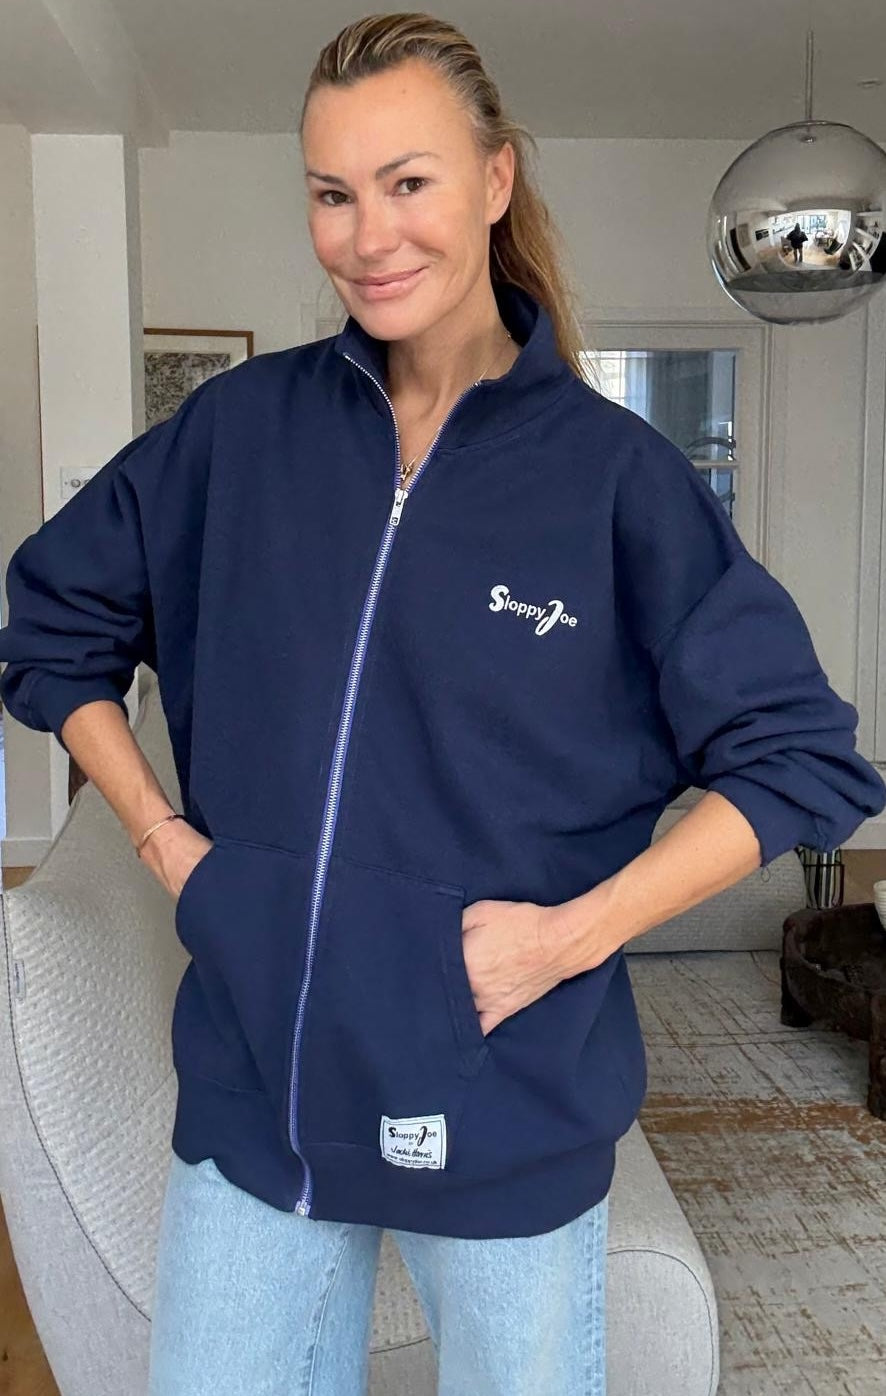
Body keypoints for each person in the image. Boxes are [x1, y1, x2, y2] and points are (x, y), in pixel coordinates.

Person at [0, 12, 884, 1396]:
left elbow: (799, 758)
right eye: (331, 193)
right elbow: (53, 624)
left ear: (494, 178)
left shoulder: (616, 483)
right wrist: (169, 847)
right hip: (258, 1090)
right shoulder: (238, 435)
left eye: (407, 182)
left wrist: (570, 938)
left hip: (503, 1095)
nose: (369, 236)